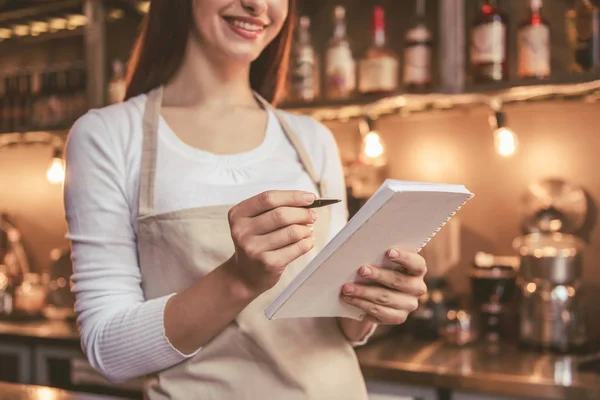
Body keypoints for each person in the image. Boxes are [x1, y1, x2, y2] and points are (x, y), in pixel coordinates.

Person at [63, 0, 428, 399]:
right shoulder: (108, 136)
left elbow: (336, 321)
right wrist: (238, 279)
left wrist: (372, 300)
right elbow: (108, 350)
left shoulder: (312, 140)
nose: (258, 5)